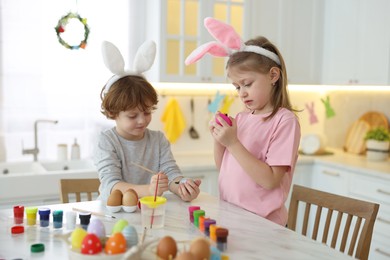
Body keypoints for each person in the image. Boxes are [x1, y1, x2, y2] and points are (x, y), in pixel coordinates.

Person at [185, 17, 301, 226]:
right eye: (237, 87)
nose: (242, 93)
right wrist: (219, 139)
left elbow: (270, 180)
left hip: (264, 225)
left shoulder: (284, 121)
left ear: (273, 75)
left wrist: (232, 143)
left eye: (247, 84)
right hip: (232, 216)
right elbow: (225, 168)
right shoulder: (242, 118)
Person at [94, 40, 201, 203]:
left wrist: (182, 187)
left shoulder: (158, 140)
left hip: (149, 211)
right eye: (132, 116)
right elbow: (111, 184)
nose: (142, 120)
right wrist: (149, 190)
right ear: (112, 113)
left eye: (147, 112)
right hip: (114, 213)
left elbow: (171, 173)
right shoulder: (107, 141)